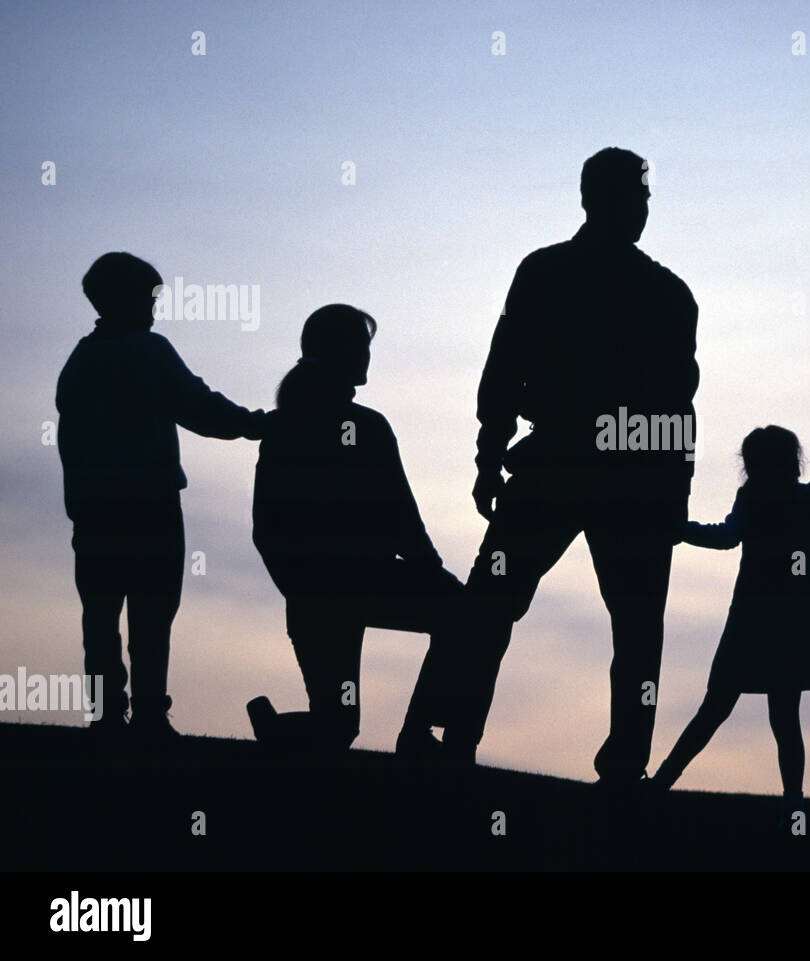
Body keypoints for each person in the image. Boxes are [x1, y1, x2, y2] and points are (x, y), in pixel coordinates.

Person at [440, 147, 699, 786]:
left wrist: (490, 451)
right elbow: (675, 407)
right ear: (594, 200)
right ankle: (616, 764)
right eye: (631, 198)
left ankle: (458, 741)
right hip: (607, 473)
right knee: (623, 627)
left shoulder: (559, 273)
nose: (639, 210)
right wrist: (489, 448)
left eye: (642, 198)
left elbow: (506, 370)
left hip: (576, 469)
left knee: (504, 605)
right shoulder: (658, 292)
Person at [56, 252, 267, 743]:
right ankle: (149, 713)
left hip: (93, 509)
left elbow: (71, 443)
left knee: (101, 614)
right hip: (149, 503)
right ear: (125, 299)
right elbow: (199, 406)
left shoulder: (79, 360)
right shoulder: (149, 351)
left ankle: (107, 715)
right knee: (151, 613)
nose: (154, 309)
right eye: (149, 299)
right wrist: (255, 424)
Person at [649, 426, 810, 826]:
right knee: (783, 715)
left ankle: (661, 784)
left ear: (752, 464)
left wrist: (681, 530)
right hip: (794, 621)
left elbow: (727, 537)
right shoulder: (809, 499)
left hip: (753, 617)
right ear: (792, 460)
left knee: (716, 707)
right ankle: (793, 801)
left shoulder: (755, 499)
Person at [249, 304, 462, 757]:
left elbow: (265, 527)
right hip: (354, 587)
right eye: (361, 347)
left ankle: (417, 734)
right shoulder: (364, 427)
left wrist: (297, 587)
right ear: (339, 352)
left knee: (337, 725)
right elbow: (401, 514)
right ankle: (418, 733)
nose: (367, 357)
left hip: (327, 593)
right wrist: (431, 570)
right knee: (338, 726)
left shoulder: (288, 426)